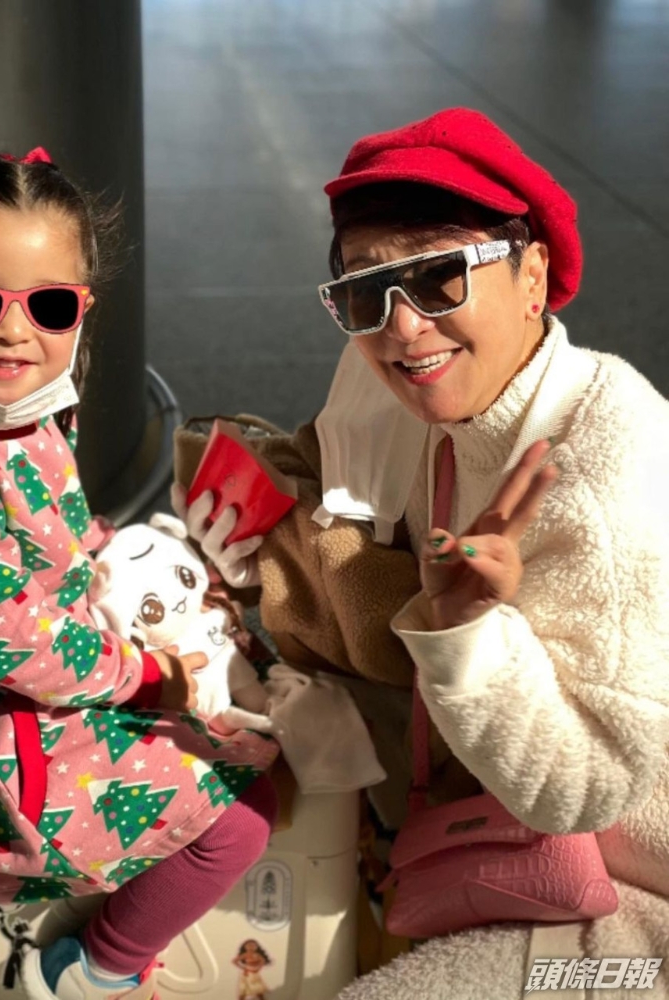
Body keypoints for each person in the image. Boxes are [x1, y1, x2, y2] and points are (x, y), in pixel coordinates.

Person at [172, 108, 669, 997]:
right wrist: (245, 510)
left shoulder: (608, 457)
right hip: (453, 833)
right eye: (368, 291)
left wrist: (466, 633)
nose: (403, 327)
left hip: (623, 887)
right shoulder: (392, 384)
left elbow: (584, 788)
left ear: (531, 276)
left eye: (441, 275)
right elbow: (322, 478)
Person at [0, 147, 278, 1000]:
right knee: (241, 823)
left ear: (82, 313)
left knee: (257, 708)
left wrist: (156, 574)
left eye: (49, 306)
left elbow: (67, 536)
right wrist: (153, 677)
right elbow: (20, 649)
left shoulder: (29, 412)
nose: (14, 332)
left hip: (55, 689)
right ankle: (94, 969)